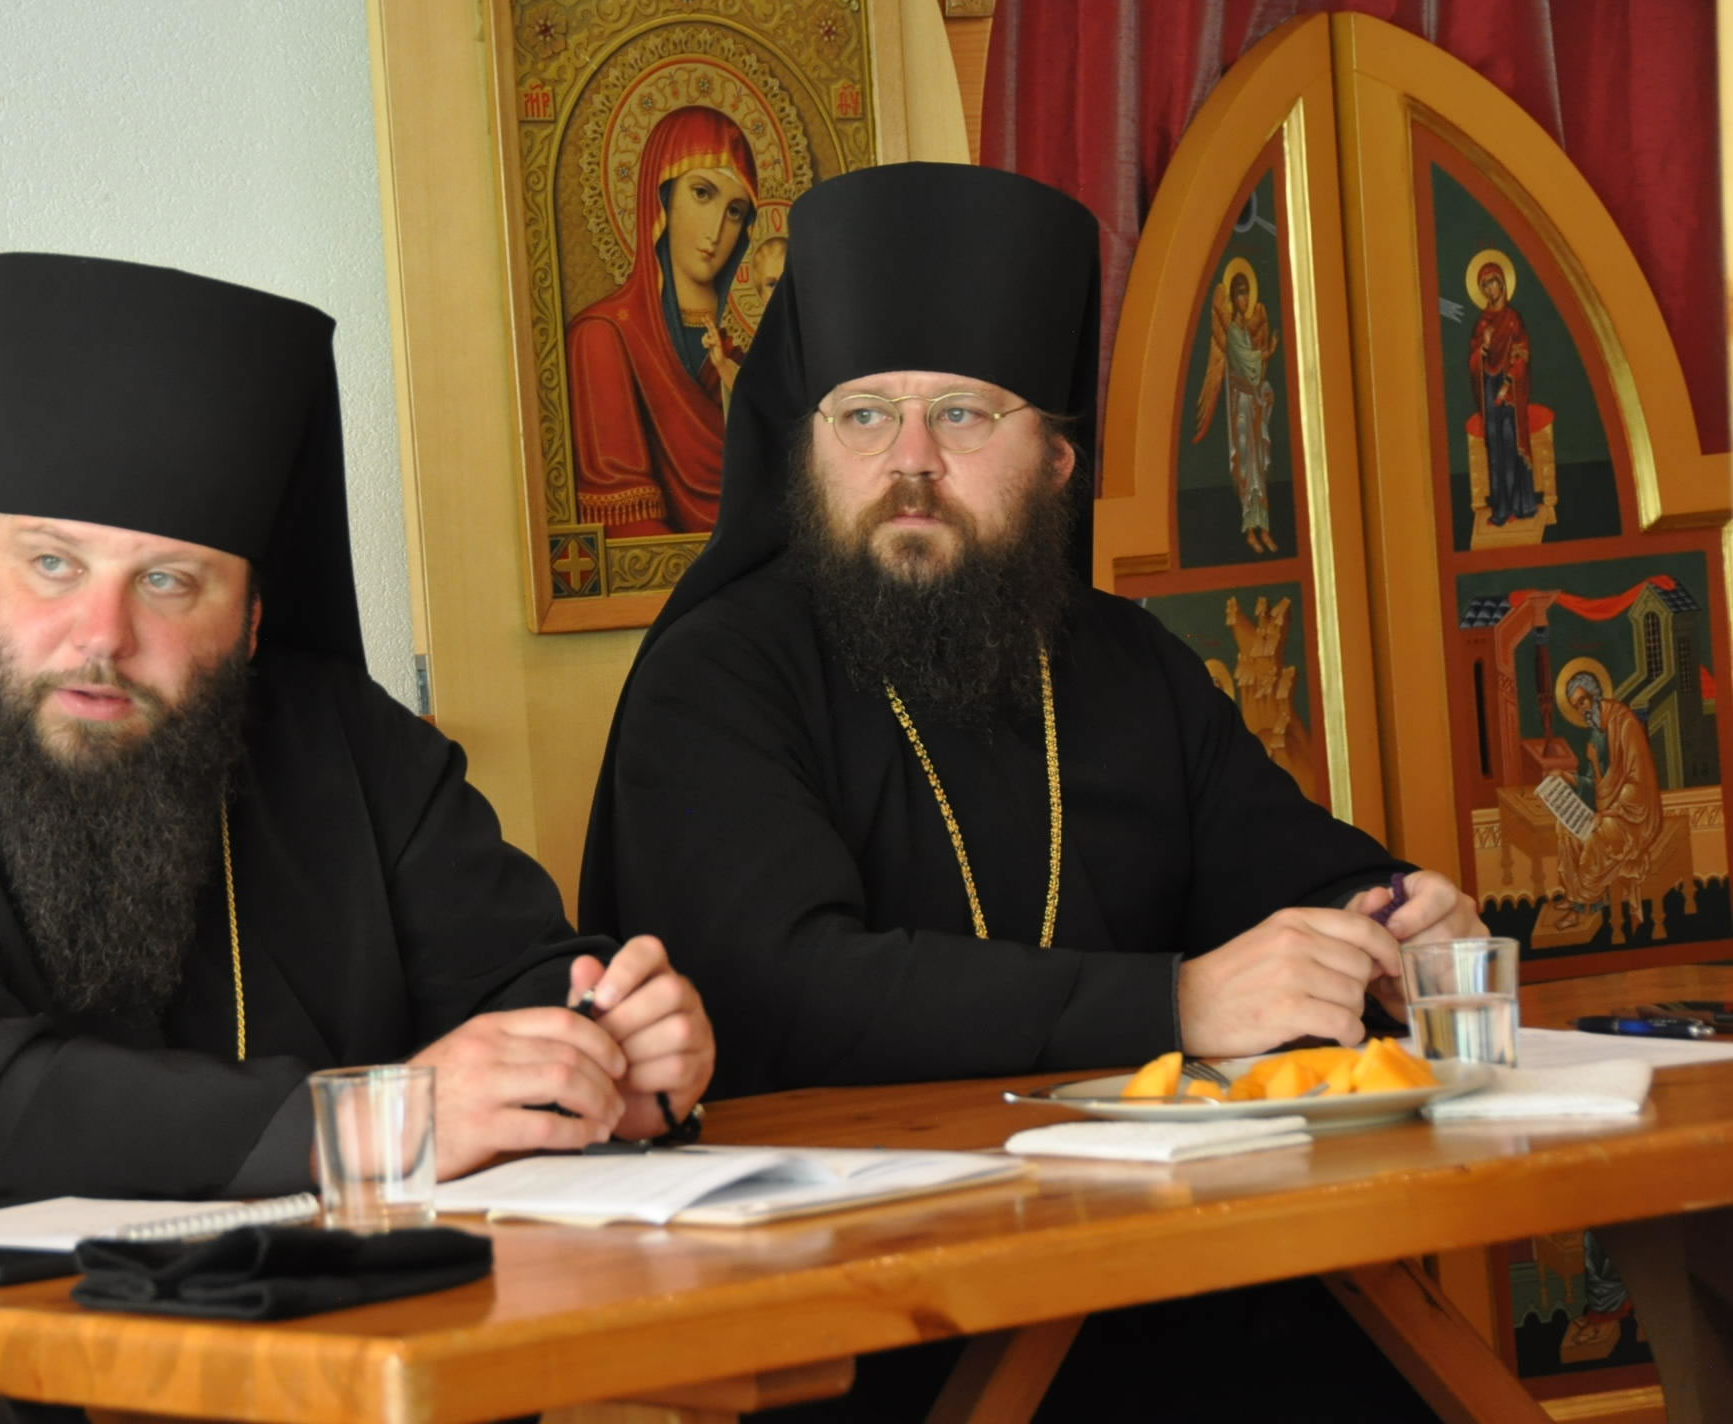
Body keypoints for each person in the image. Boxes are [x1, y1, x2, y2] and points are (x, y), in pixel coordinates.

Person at [580, 158, 1487, 1423]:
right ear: (808, 451)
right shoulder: (717, 675)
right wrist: (1177, 1001)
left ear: (1056, 459)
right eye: (862, 416)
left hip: (1172, 1264)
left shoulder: (1126, 664)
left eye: (960, 415)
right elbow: (782, 985)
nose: (907, 461)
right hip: (857, 1293)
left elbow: (1289, 864)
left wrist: (1393, 916)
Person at [0, 254, 714, 1255]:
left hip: (332, 1343)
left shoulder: (345, 743)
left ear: (249, 620)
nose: (102, 635)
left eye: (167, 582)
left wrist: (610, 1048)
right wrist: (377, 1121)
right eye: (53, 563)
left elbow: (513, 979)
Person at [567, 105, 757, 537]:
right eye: (702, 193)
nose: (716, 230)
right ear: (661, 198)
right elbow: (625, 523)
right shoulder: (603, 337)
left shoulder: (732, 359)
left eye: (735, 211)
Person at [1552, 669, 1662, 935]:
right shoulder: (1597, 733)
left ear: (1595, 695)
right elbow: (1595, 785)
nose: (1582, 709)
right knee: (1565, 829)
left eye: (1583, 701)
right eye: (1576, 706)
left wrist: (1610, 812)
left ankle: (1582, 906)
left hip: (1634, 816)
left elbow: (1637, 784)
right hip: (1609, 810)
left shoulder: (1625, 724)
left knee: (1596, 838)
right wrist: (1570, 778)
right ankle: (1576, 894)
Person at [1192, 265, 1281, 553]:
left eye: (1246, 293)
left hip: (1253, 405)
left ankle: (1264, 528)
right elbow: (1247, 362)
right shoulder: (1232, 332)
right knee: (1247, 469)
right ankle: (1250, 531)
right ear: (1232, 298)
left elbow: (1256, 373)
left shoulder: (1246, 330)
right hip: (1241, 408)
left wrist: (1263, 393)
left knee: (1260, 470)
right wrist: (1268, 352)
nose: (1244, 299)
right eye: (1239, 293)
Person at [1469, 258, 1538, 526]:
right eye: (1484, 285)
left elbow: (1523, 354)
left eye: (1493, 282)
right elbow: (1475, 359)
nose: (1490, 289)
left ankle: (1520, 504)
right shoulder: (1482, 323)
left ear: (1502, 283)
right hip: (1489, 385)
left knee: (1511, 445)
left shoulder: (1513, 319)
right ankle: (1500, 508)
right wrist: (1482, 348)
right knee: (1495, 448)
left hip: (1509, 389)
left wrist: (1508, 384)